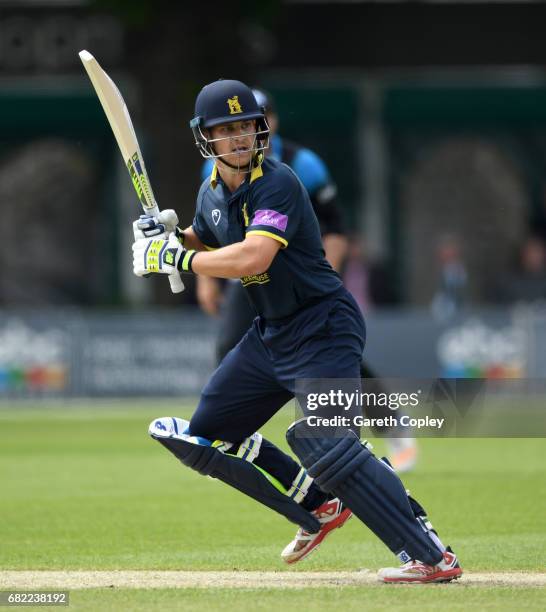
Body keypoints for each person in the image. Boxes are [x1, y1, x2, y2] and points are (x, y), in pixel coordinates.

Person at [132, 79, 462, 583]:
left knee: (327, 441)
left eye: (246, 126)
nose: (240, 138)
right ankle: (316, 502)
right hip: (272, 334)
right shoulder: (210, 191)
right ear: (208, 139)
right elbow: (203, 235)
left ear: (260, 129)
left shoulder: (279, 182)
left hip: (323, 326)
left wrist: (178, 257)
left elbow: (254, 255)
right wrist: (161, 238)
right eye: (227, 129)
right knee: (205, 437)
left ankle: (430, 554)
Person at [196, 88, 418, 472]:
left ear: (270, 121)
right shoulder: (215, 168)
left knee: (332, 357)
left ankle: (389, 422)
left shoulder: (302, 164)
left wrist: (324, 274)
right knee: (228, 349)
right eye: (226, 127)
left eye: (251, 120)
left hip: (300, 275)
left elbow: (334, 228)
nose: (238, 135)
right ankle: (247, 436)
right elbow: (211, 228)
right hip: (249, 276)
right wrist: (204, 277)